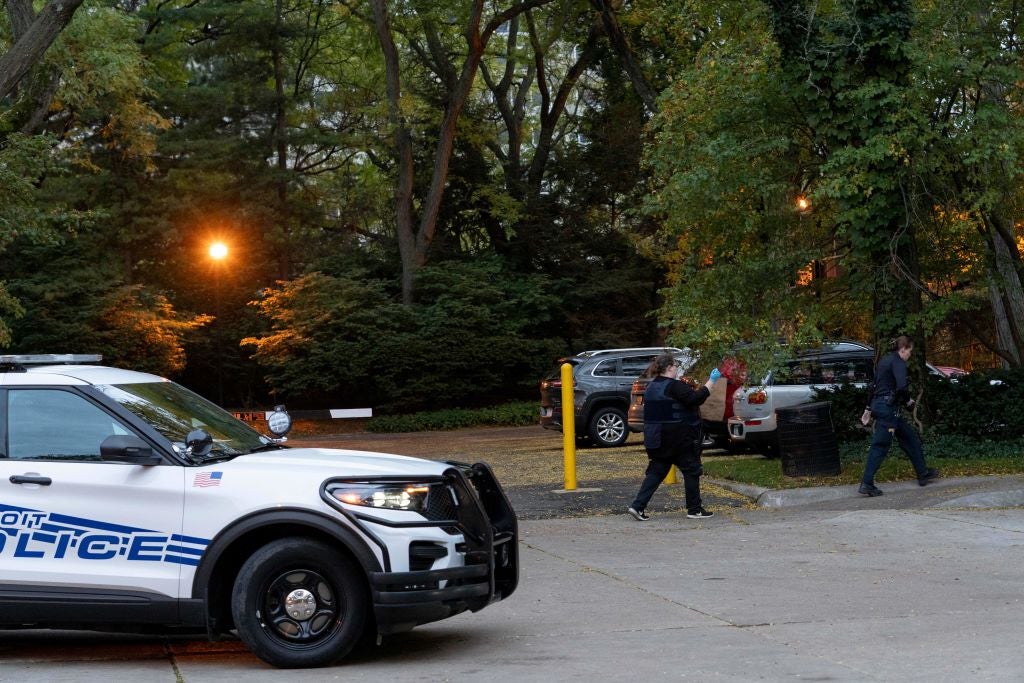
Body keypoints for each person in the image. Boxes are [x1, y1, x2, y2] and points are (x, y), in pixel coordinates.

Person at [628, 354, 722, 521]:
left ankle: (637, 506)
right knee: (691, 470)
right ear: (670, 367)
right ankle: (694, 509)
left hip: (656, 437)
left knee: (657, 471)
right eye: (676, 366)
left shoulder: (651, 387)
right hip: (679, 438)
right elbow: (696, 399)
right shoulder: (674, 386)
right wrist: (712, 381)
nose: (677, 369)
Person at [859, 335, 939, 496]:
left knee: (910, 438)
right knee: (880, 446)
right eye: (909, 351)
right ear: (903, 349)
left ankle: (922, 473)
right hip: (888, 411)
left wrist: (868, 408)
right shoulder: (898, 362)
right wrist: (908, 401)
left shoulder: (884, 362)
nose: (909, 355)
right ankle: (866, 483)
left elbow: (873, 387)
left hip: (883, 408)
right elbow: (902, 386)